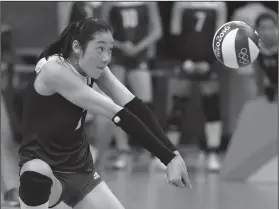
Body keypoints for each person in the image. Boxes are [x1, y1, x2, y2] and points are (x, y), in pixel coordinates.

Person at [18, 18, 191, 209]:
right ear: (77, 47)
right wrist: (166, 159)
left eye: (110, 50)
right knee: (36, 171)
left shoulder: (93, 67)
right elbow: (118, 114)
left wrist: (172, 153)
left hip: (81, 172)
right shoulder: (54, 72)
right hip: (47, 177)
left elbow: (134, 106)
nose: (106, 58)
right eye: (100, 48)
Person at [97, 2, 162, 169]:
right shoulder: (109, 3)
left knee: (145, 103)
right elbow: (101, 30)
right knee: (118, 103)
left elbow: (157, 31)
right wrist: (120, 45)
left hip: (140, 55)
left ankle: (155, 152)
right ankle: (123, 150)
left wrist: (138, 47)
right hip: (117, 55)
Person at [170, 1, 227, 171]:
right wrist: (183, 60)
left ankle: (212, 153)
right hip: (185, 63)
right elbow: (174, 35)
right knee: (177, 106)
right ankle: (169, 156)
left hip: (208, 64)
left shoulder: (219, 5)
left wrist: (210, 63)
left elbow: (221, 37)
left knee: (212, 106)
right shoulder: (180, 4)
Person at [254, 13, 278, 101]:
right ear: (257, 30)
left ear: (276, 28)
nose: (267, 32)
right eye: (263, 28)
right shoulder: (253, 51)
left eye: (270, 28)